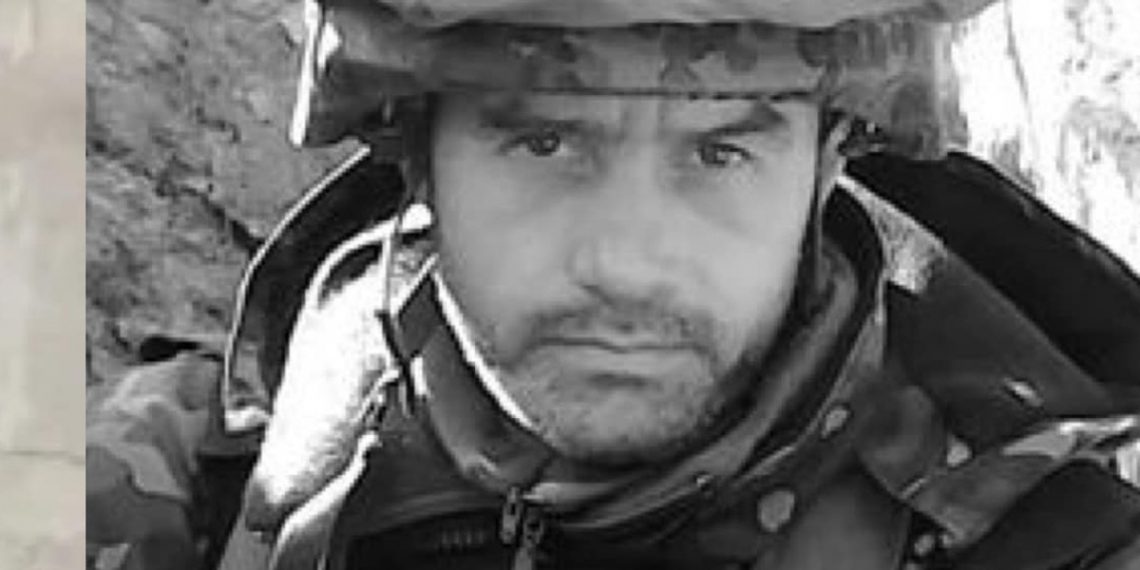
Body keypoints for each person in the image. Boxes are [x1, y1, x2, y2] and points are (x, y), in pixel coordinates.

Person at [87, 1, 1140, 569]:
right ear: (416, 158)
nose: (627, 260)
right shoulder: (179, 481)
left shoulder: (1064, 536)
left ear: (827, 169)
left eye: (721, 153)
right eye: (544, 143)